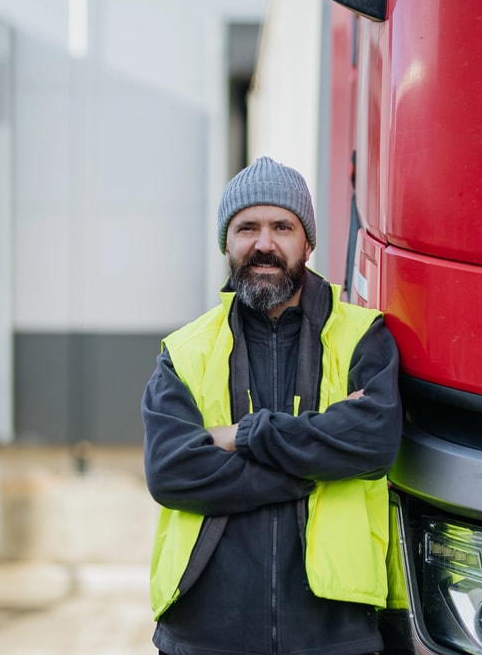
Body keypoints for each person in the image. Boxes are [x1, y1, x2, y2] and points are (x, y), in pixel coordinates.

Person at [142, 156, 403, 655]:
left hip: (334, 634)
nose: (264, 244)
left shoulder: (363, 337)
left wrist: (242, 435)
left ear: (308, 242)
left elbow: (373, 442)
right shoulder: (184, 351)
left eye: (282, 226)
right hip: (204, 632)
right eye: (247, 228)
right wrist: (318, 463)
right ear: (226, 243)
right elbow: (171, 470)